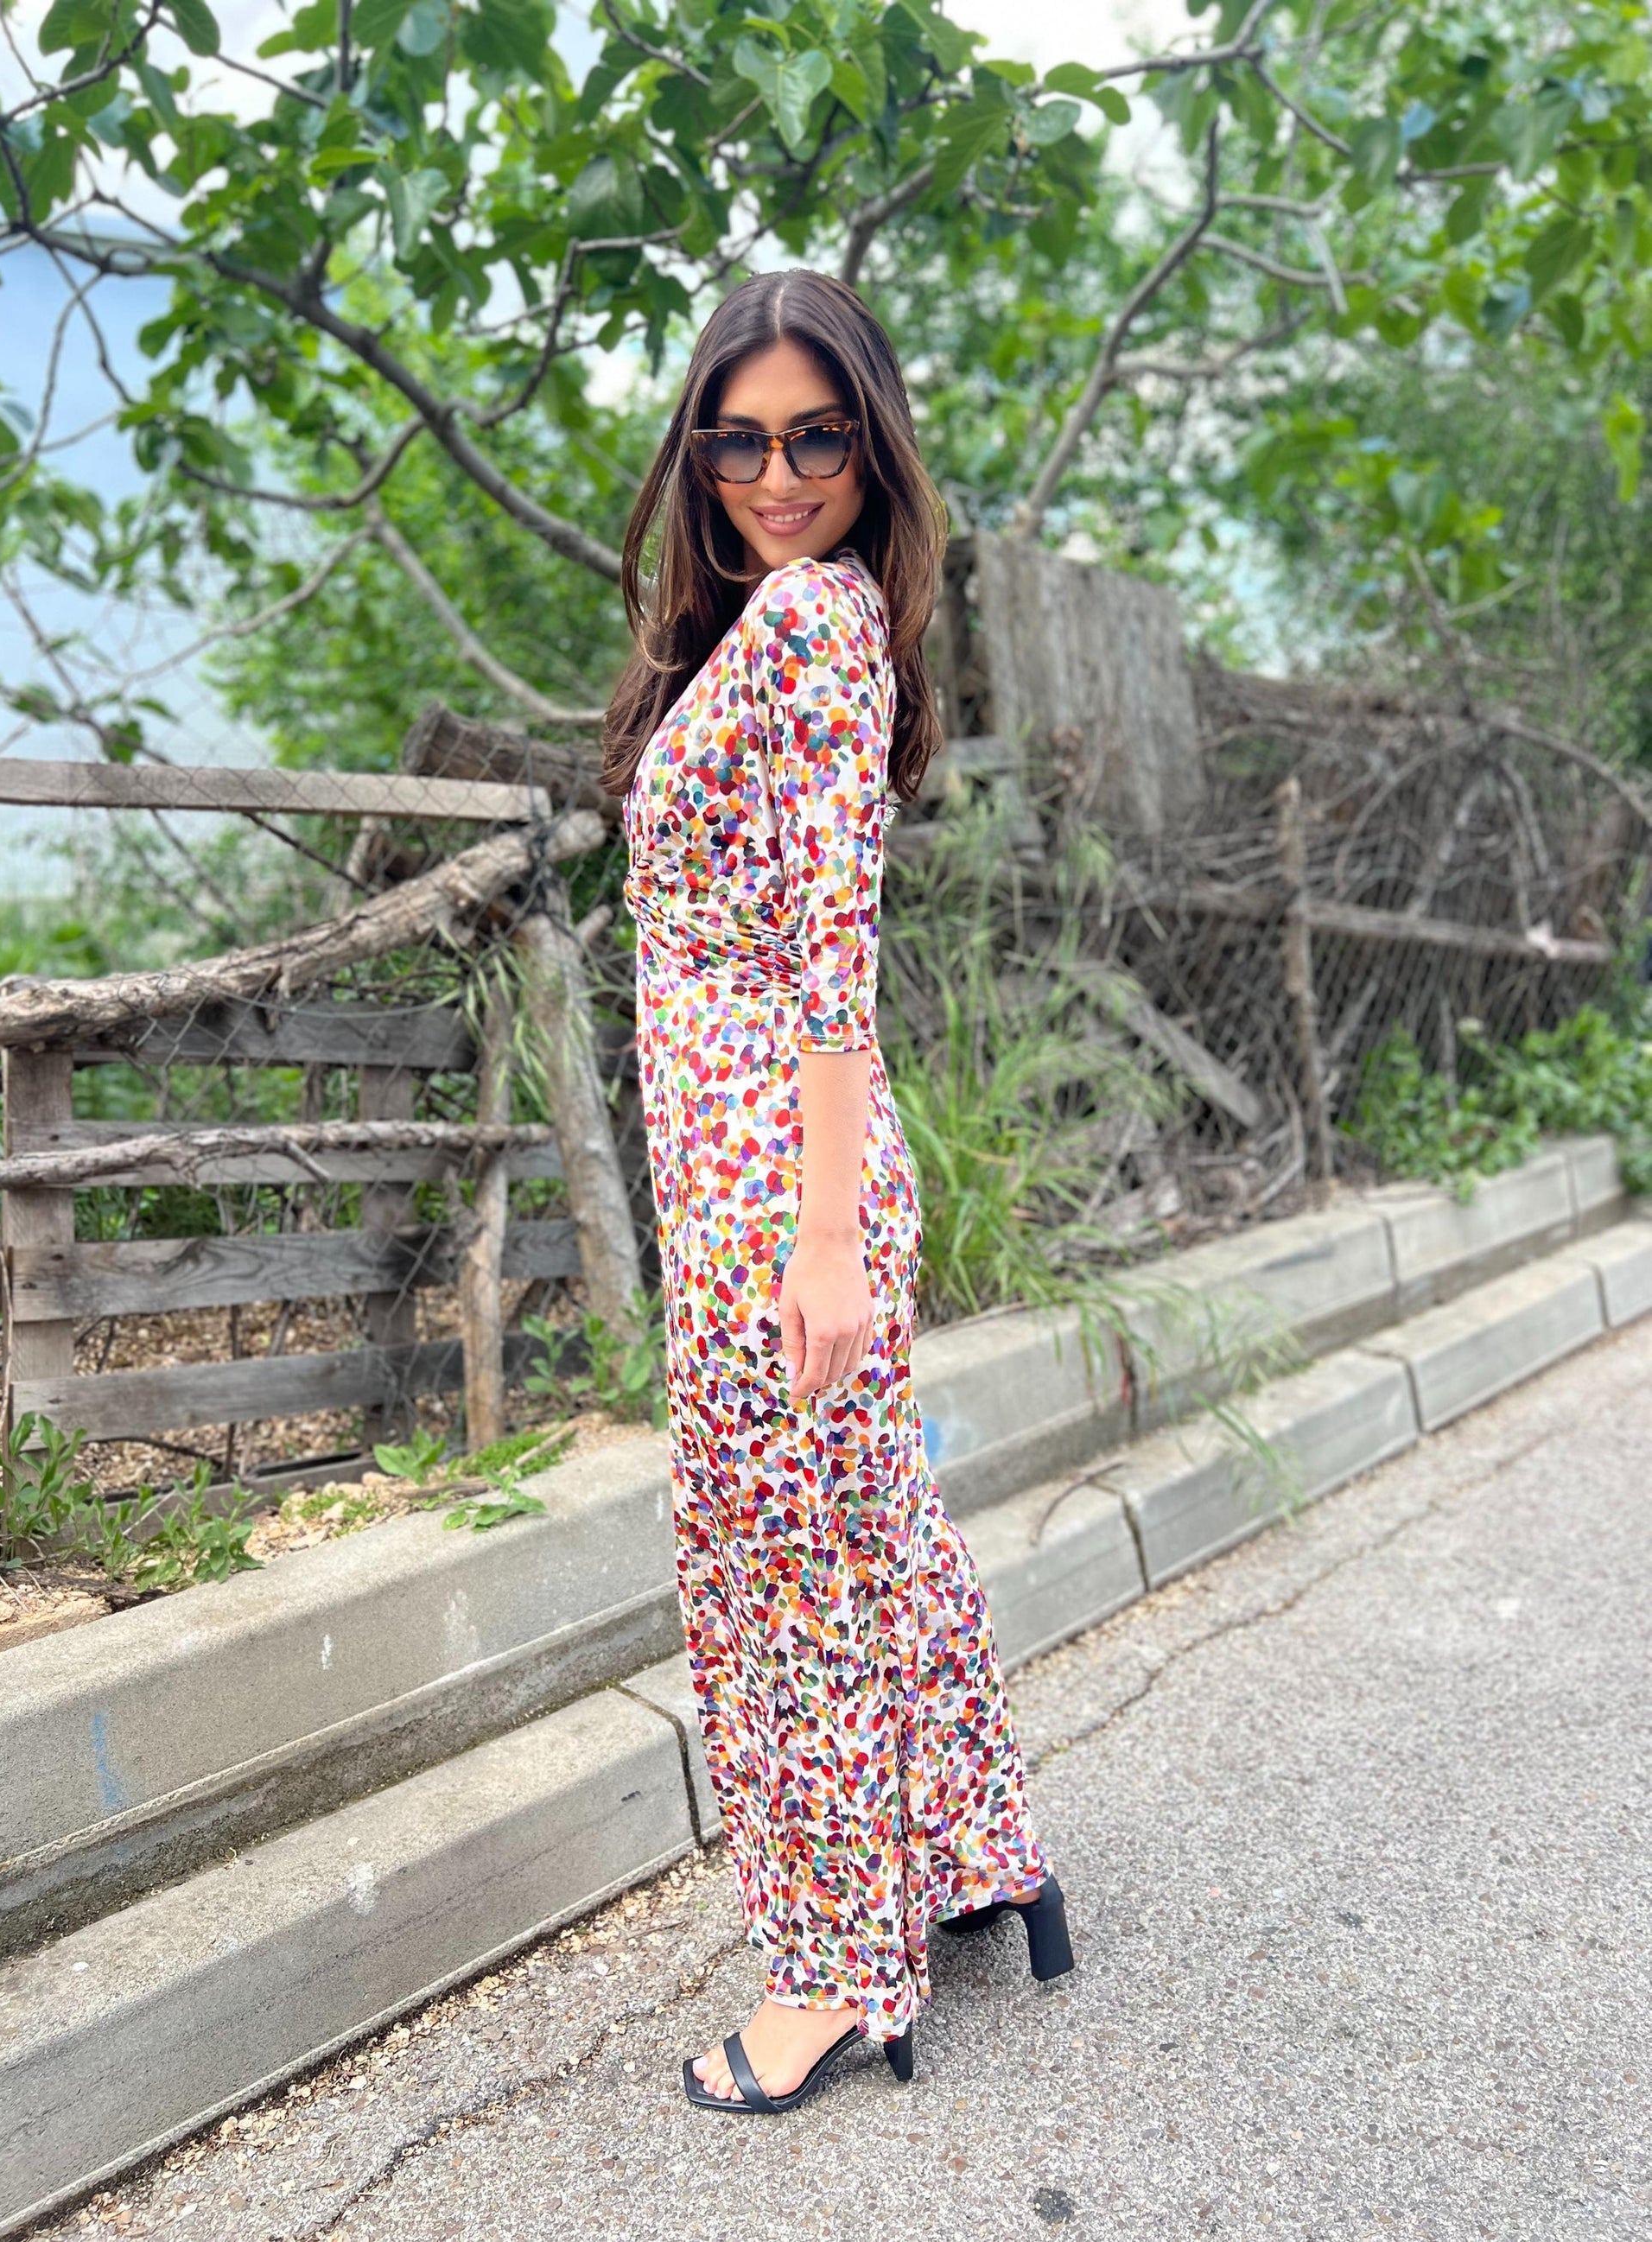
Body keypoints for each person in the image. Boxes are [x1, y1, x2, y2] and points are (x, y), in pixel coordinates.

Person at [601, 267, 1073, 2118]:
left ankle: (826, 1973)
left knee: (776, 1575)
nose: (777, 470)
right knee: (864, 1529)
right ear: (702, 445)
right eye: (741, 436)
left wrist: (813, 1241)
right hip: (768, 1169)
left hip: (768, 1186)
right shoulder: (812, 619)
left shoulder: (807, 617)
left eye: (815, 434)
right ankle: (980, 1853)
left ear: (869, 445)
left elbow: (826, 949)